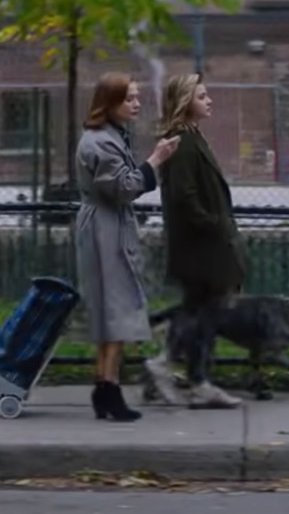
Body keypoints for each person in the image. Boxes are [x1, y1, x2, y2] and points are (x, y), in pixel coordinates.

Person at [74, 72, 181, 422]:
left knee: (113, 311)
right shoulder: (101, 143)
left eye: (137, 97)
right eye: (129, 99)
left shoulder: (106, 137)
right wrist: (156, 160)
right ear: (110, 103)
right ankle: (108, 390)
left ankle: (105, 387)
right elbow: (124, 187)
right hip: (106, 231)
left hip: (108, 227)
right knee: (116, 310)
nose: (136, 104)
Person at [153, 73, 248, 409]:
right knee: (204, 313)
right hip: (200, 249)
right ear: (185, 102)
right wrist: (215, 226)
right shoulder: (182, 141)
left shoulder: (192, 137)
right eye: (202, 96)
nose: (210, 101)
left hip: (203, 247)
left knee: (200, 312)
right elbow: (184, 196)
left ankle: (182, 371)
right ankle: (185, 374)